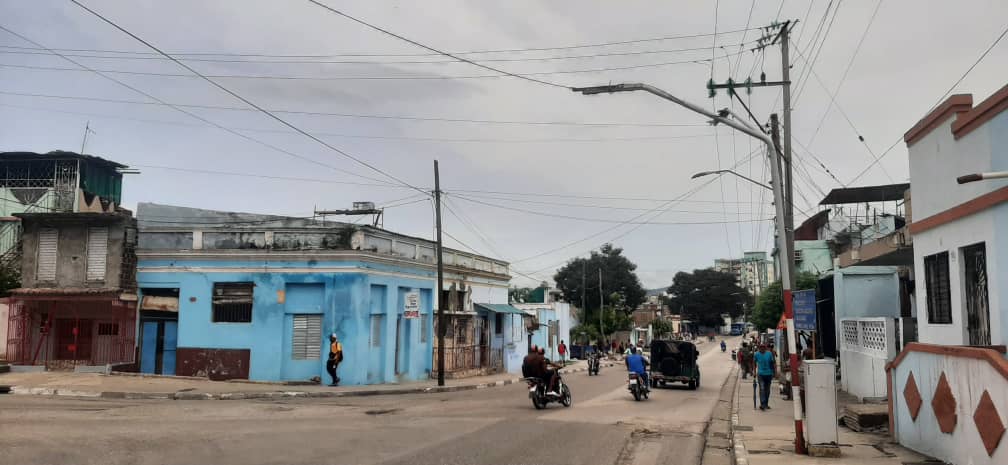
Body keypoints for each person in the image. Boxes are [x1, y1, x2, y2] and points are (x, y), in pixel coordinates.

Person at [753, 344, 776, 410]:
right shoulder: (756, 354)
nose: (762, 348)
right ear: (759, 348)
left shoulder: (769, 354)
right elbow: (754, 363)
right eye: (761, 347)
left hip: (769, 374)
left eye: (763, 347)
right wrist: (754, 371)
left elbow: (773, 363)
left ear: (765, 348)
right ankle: (762, 404)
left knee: (767, 390)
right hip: (760, 374)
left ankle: (766, 404)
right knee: (762, 388)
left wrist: (775, 372)